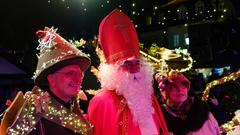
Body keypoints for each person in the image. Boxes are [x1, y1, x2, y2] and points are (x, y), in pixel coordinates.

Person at [87, 9, 169, 135]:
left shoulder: (148, 96)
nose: (135, 69)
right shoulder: (101, 102)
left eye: (137, 63)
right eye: (127, 64)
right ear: (113, 70)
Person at [0, 27, 92, 135]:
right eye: (70, 73)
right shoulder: (33, 112)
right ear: (51, 79)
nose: (78, 79)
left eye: (80, 74)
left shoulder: (74, 108)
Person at [154, 70, 220, 135]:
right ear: (165, 93)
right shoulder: (159, 118)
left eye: (183, 86)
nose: (180, 90)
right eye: (174, 87)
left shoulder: (203, 113)